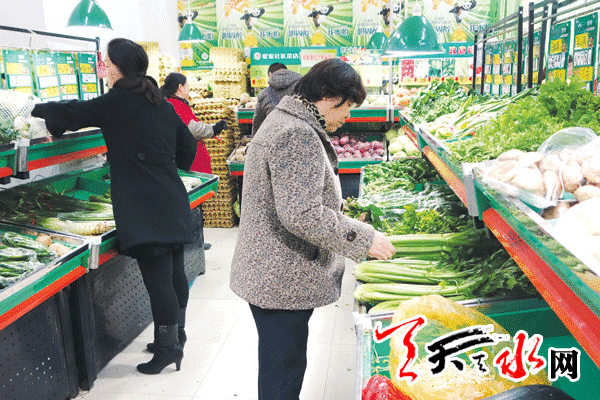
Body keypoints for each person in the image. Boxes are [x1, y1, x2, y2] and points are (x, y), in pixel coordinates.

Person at [230, 58, 395, 400]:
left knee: (280, 364)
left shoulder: (286, 119)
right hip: (278, 277)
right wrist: (363, 239)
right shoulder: (297, 133)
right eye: (347, 106)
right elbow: (302, 213)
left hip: (270, 271)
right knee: (283, 373)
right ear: (327, 96)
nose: (347, 115)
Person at [31, 38, 197, 375]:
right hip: (172, 197)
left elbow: (72, 113)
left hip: (144, 206)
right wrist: (164, 169)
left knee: (158, 281)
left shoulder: (116, 102)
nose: (104, 69)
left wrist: (35, 108)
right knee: (175, 273)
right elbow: (188, 145)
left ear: (117, 68)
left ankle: (167, 349)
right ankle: (175, 336)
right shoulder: (160, 102)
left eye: (106, 63)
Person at [161, 72, 227, 251]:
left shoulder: (176, 104)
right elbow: (192, 129)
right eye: (187, 86)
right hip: (188, 161)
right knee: (192, 201)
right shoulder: (174, 105)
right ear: (180, 88)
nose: (189, 90)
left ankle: (197, 240)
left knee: (196, 202)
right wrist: (213, 128)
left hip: (190, 158)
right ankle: (193, 243)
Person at [251, 62, 302, 136]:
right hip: (299, 134)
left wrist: (254, 138)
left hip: (274, 137)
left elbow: (257, 122)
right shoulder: (301, 89)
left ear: (270, 74)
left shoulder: (264, 94)